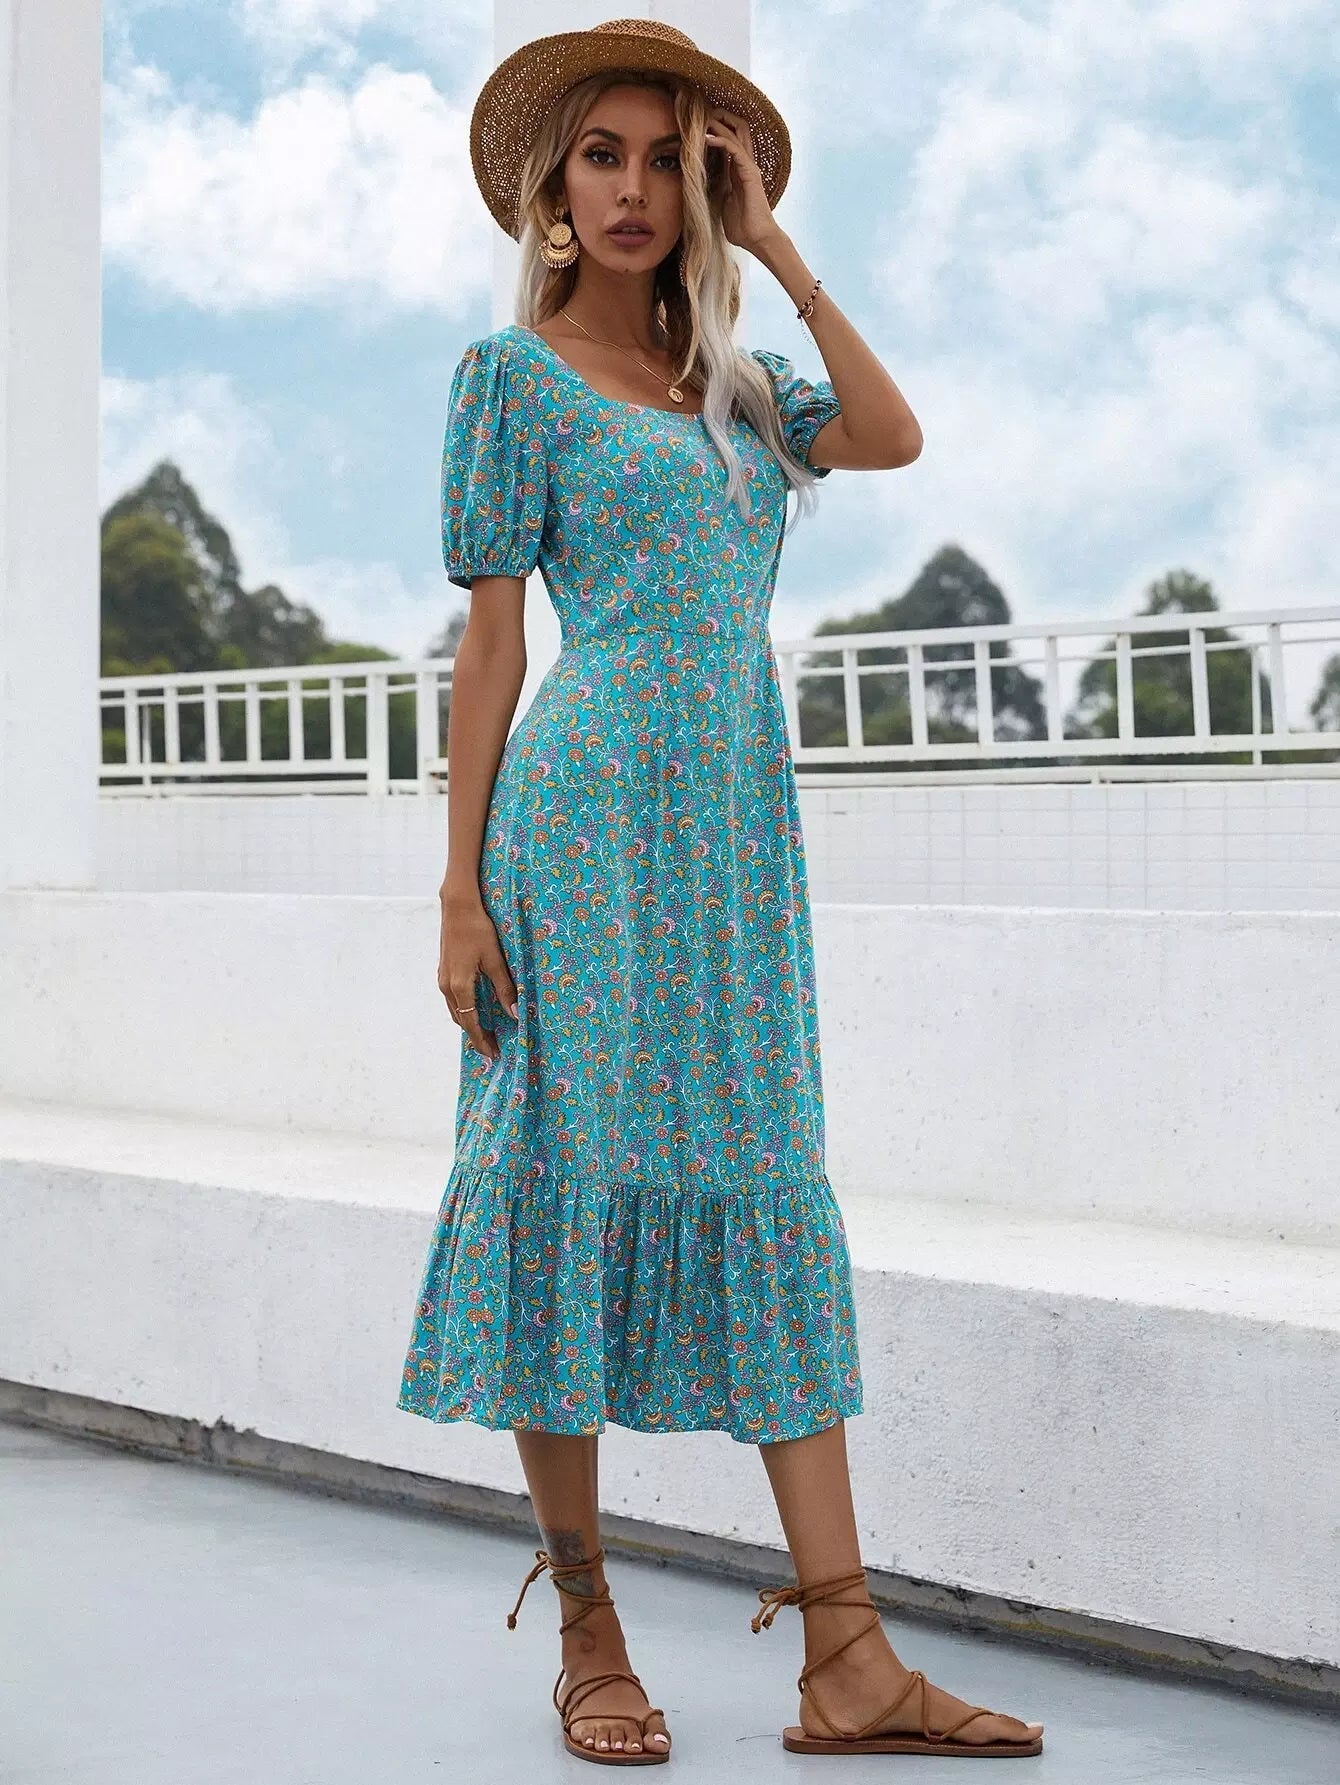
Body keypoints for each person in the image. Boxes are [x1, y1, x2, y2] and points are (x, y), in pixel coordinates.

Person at [397, 17, 1043, 1767]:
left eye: (668, 160)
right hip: (581, 826)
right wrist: (457, 891)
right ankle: (588, 1627)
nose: (632, 188)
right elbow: (491, 646)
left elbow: (894, 431)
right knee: (557, 1178)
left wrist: (773, 246)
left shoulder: (737, 392)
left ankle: (850, 1658)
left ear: (707, 186)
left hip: (736, 837)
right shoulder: (509, 378)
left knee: (764, 1175)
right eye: (601, 156)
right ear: (553, 190)